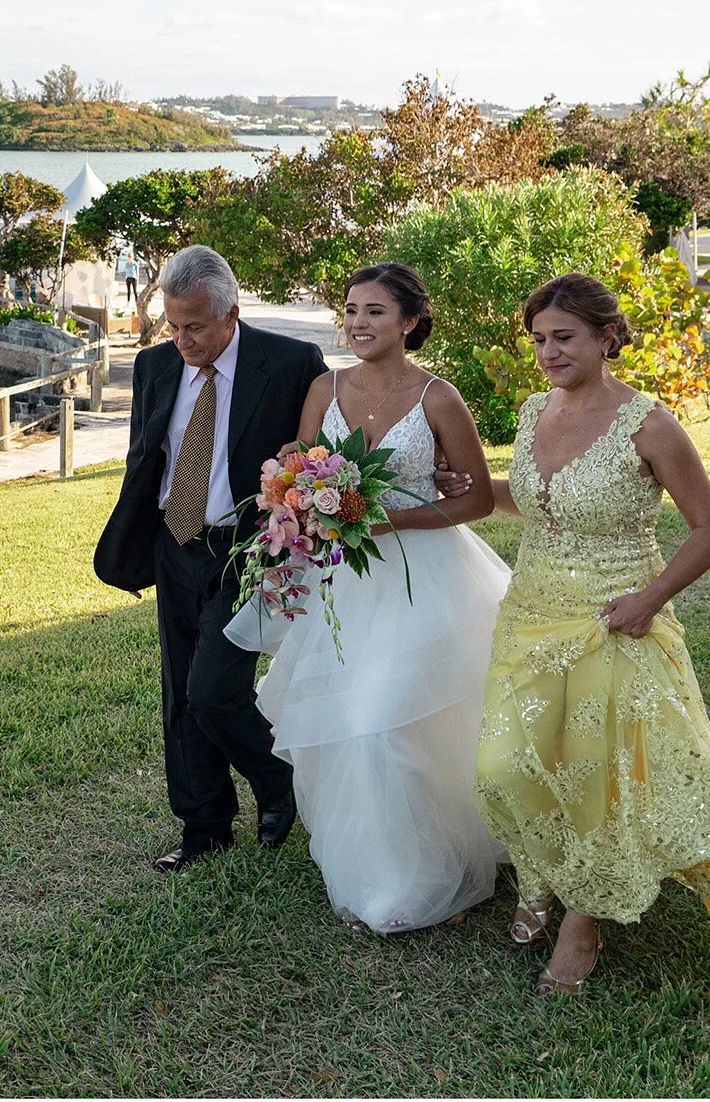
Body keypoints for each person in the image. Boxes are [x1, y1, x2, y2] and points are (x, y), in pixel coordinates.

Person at [474, 273, 710, 994]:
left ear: (607, 336)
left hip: (616, 620)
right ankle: (548, 874)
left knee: (601, 778)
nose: (548, 351)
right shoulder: (532, 408)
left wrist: (652, 596)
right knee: (506, 766)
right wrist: (466, 488)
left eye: (564, 336)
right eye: (539, 338)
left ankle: (582, 921)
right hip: (530, 613)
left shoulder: (649, 424)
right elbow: (540, 499)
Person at [222, 262, 510, 932]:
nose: (358, 322)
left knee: (392, 717)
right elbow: (297, 468)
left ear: (409, 320)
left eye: (375, 311)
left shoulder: (439, 397)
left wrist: (392, 518)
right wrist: (295, 506)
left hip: (423, 576)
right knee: (351, 720)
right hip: (342, 578)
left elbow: (476, 498)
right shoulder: (325, 387)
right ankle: (375, 873)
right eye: (351, 309)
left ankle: (414, 879)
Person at [95, 247, 321, 869]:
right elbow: (148, 458)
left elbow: (323, 447)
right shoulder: (153, 366)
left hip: (247, 549)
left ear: (231, 314)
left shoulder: (291, 363)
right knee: (179, 693)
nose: (183, 339)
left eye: (196, 326)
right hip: (175, 541)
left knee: (214, 689)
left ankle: (277, 782)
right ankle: (203, 829)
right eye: (174, 324)